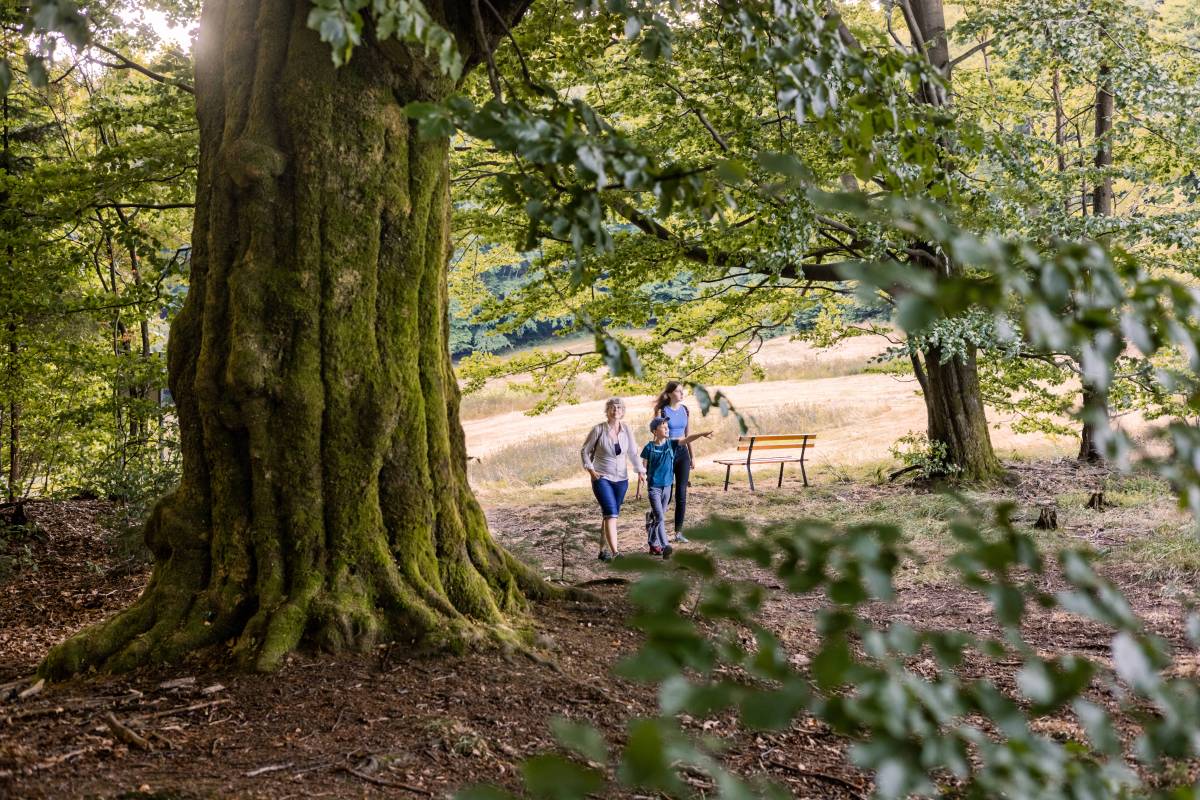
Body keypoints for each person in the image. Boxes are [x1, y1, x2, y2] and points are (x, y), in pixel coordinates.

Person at [581, 397, 646, 562]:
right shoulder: (598, 430)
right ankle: (616, 553)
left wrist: (640, 471)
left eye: (619, 408)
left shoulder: (627, 430)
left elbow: (632, 452)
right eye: (612, 407)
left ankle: (602, 550)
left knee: (610, 514)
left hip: (622, 480)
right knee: (611, 514)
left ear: (623, 412)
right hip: (602, 478)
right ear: (607, 411)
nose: (616, 410)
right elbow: (584, 451)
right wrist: (591, 471)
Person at [641, 418, 712, 558]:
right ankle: (665, 545)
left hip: (667, 487)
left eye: (667, 426)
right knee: (660, 516)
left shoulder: (671, 444)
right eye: (663, 427)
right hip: (654, 488)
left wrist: (701, 434)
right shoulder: (649, 447)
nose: (667, 429)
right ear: (655, 431)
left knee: (658, 517)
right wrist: (642, 477)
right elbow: (643, 466)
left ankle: (652, 539)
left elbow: (686, 439)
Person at [653, 381, 700, 542]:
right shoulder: (662, 411)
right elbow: (657, 435)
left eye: (682, 391)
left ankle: (678, 533)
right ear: (669, 394)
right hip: (667, 452)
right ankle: (657, 528)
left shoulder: (685, 410)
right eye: (679, 391)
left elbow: (688, 435)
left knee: (681, 494)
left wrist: (692, 456)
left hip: (683, 453)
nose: (682, 394)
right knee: (666, 494)